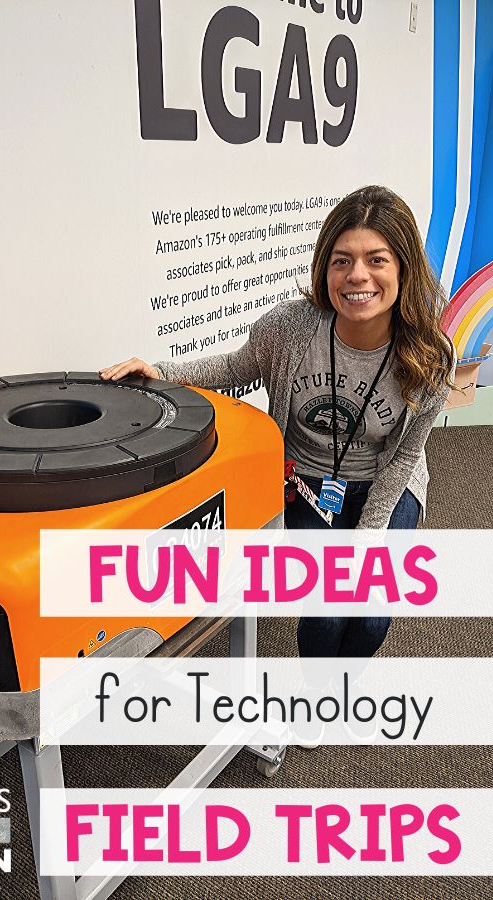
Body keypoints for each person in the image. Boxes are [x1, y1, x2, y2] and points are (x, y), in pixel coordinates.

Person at [100, 185, 455, 661]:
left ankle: (343, 685)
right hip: (304, 476)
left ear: (403, 268)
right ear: (325, 267)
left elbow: (406, 454)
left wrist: (366, 542)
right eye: (341, 261)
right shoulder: (291, 328)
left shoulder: (431, 357)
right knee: (326, 611)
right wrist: (162, 373)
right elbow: (234, 368)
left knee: (371, 614)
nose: (357, 276)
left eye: (377, 260)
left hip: (386, 479)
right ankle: (317, 692)